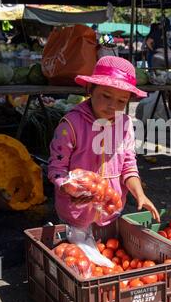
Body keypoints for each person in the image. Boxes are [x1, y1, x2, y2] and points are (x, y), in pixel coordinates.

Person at [48, 56, 160, 235]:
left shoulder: (125, 125)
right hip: (75, 212)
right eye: (106, 96)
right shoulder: (70, 125)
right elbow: (56, 169)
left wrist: (140, 194)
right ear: (90, 89)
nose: (112, 106)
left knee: (106, 251)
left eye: (121, 101)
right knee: (76, 256)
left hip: (110, 211)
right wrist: (68, 187)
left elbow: (128, 167)